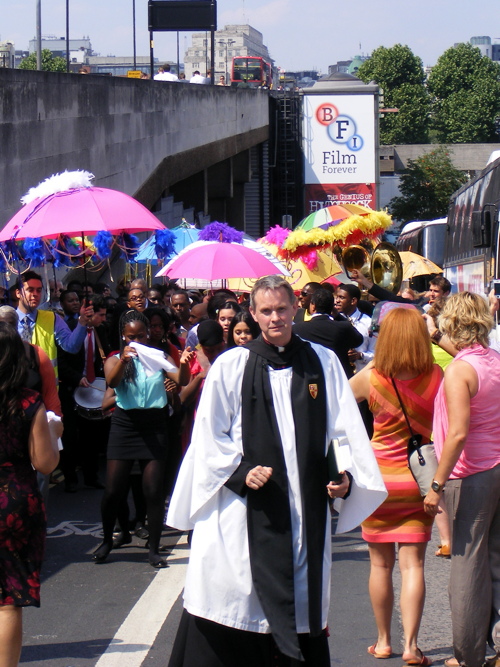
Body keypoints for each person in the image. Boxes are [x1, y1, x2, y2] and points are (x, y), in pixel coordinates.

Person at [166, 275, 387, 667]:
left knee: (300, 603)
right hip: (243, 509)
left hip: (303, 512)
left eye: (282, 309)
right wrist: (238, 472)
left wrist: (343, 476)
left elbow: (342, 430)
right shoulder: (232, 366)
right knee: (236, 597)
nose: (275, 318)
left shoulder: (323, 362)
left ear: (295, 309)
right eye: (265, 311)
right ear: (253, 313)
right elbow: (209, 434)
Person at [349, 307, 442, 666]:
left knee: (380, 566)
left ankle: (384, 641)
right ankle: (412, 646)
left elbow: (335, 402)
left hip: (377, 481)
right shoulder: (436, 376)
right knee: (413, 565)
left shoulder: (373, 378)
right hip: (418, 480)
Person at [423, 292, 500, 667]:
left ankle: (468, 655)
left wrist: (435, 485)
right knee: (497, 561)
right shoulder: (495, 361)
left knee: (467, 564)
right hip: (498, 466)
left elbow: (456, 434)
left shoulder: (460, 370)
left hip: (471, 474)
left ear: (452, 324)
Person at [93, 310, 193, 568]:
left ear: (148, 335)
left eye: (141, 335)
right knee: (114, 489)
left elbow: (181, 380)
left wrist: (183, 363)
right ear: (123, 337)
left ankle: (154, 549)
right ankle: (106, 540)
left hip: (154, 426)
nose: (136, 341)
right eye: (130, 337)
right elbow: (113, 383)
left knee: (153, 490)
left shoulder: (159, 357)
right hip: (125, 425)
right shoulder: (116, 359)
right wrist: (125, 359)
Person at [0, 322, 59, 667]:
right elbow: (46, 463)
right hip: (14, 502)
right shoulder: (27, 403)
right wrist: (56, 433)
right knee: (8, 599)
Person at [15, 271, 93, 377]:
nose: (35, 294)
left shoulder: (52, 318)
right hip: (15, 387)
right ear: (18, 293)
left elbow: (72, 346)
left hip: (46, 388)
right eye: (30, 290)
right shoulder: (7, 320)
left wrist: (82, 321)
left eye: (39, 290)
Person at [293, 288, 363, 379]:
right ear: (332, 308)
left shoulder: (297, 329)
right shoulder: (343, 327)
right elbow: (358, 340)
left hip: (311, 378)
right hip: (340, 378)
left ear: (313, 306)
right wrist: (339, 317)